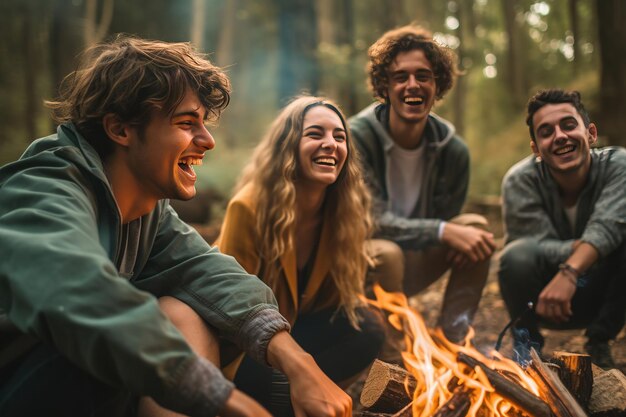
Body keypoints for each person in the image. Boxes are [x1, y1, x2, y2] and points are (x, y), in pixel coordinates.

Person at [0, 36, 352, 417]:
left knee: (184, 312)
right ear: (120, 129)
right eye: (187, 123)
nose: (208, 141)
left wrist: (299, 363)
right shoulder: (45, 188)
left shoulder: (146, 211)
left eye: (204, 123)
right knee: (114, 350)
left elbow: (211, 273)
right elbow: (79, 295)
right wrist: (224, 399)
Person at [214, 95, 385, 415]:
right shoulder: (248, 208)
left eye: (339, 136)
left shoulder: (344, 212)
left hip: (297, 330)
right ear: (288, 145)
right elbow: (229, 311)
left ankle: (308, 397)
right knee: (273, 382)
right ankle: (288, 400)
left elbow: (336, 304)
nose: (330, 144)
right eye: (315, 134)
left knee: (368, 328)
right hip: (249, 345)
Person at [349, 25, 496, 343]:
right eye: (400, 77)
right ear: (384, 86)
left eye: (423, 76)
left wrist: (453, 235)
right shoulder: (355, 137)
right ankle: (390, 358)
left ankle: (452, 343)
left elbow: (450, 220)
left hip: (415, 257)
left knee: (476, 230)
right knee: (388, 253)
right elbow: (367, 222)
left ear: (438, 84)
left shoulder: (453, 151)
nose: (412, 85)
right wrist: (444, 232)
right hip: (360, 262)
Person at [499, 89, 626, 368]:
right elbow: (529, 246)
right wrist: (583, 249)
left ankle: (600, 340)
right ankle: (526, 346)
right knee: (515, 256)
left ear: (591, 133)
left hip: (604, 292)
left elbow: (610, 225)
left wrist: (570, 271)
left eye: (568, 125)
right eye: (546, 132)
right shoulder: (519, 181)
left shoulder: (619, 165)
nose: (560, 136)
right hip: (543, 299)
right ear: (536, 149)